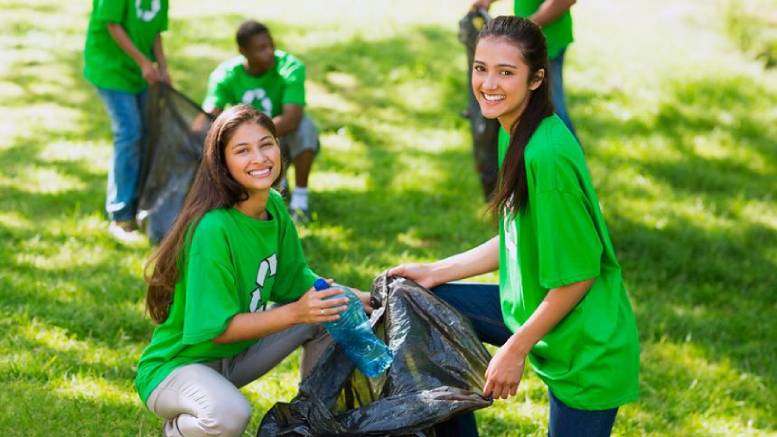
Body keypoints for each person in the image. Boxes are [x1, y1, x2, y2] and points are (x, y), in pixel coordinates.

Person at [390, 16, 639, 437]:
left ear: (537, 78)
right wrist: (435, 272)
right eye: (480, 67)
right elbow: (516, 236)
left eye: (506, 72)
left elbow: (579, 277)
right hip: (531, 311)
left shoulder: (548, 157)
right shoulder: (515, 129)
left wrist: (513, 349)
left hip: (585, 347)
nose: (489, 83)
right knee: (426, 306)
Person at [134, 105, 369, 437]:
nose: (259, 158)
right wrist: (296, 313)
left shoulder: (272, 204)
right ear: (223, 163)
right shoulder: (213, 229)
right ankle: (179, 431)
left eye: (266, 144)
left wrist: (361, 295)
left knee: (330, 312)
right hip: (178, 367)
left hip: (234, 359)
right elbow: (219, 329)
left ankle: (311, 421)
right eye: (242, 150)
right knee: (230, 415)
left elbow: (297, 281)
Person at [203, 20, 319, 223]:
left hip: (282, 136)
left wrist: (256, 136)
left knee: (306, 127)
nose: (270, 52)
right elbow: (207, 117)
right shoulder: (226, 75)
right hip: (253, 146)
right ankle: (273, 187)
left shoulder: (290, 67)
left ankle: (300, 202)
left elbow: (292, 119)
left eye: (271, 45)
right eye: (261, 48)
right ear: (243, 51)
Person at [83, 0, 171, 242]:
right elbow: (113, 24)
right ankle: (120, 215)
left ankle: (140, 205)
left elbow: (155, 31)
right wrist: (144, 62)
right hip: (111, 68)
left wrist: (162, 66)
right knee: (129, 133)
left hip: (139, 73)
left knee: (147, 133)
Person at [473, 0, 578, 138]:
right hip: (519, 46)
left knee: (550, 108)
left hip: (545, 45)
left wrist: (524, 31)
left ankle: (565, 150)